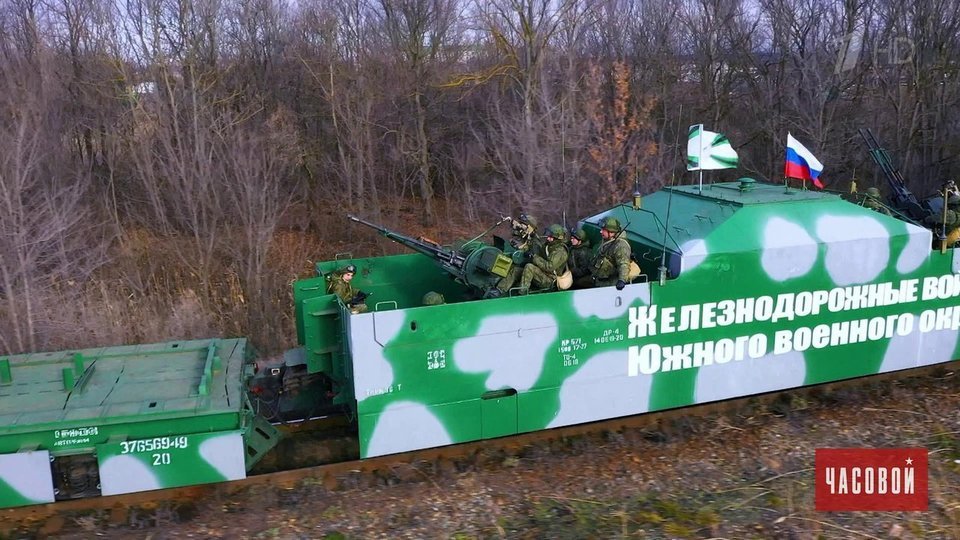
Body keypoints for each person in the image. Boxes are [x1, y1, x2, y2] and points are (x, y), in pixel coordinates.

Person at [497, 213, 542, 293]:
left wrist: (525, 254)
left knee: (512, 269)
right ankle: (497, 287)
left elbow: (534, 261)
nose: (521, 226)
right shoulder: (523, 237)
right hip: (520, 264)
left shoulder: (535, 243)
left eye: (524, 224)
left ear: (530, 227)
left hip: (528, 270)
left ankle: (500, 291)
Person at [516, 224, 570, 292]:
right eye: (548, 236)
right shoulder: (549, 246)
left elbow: (549, 267)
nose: (547, 238)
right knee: (516, 270)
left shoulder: (560, 251)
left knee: (529, 267)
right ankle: (500, 290)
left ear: (556, 238)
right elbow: (540, 254)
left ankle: (522, 293)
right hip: (544, 274)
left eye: (550, 237)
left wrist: (534, 257)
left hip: (551, 280)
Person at [591, 216, 632, 290]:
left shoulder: (620, 245)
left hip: (611, 285)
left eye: (603, 230)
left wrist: (622, 280)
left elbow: (623, 264)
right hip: (601, 281)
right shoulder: (606, 241)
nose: (601, 232)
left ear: (611, 231)